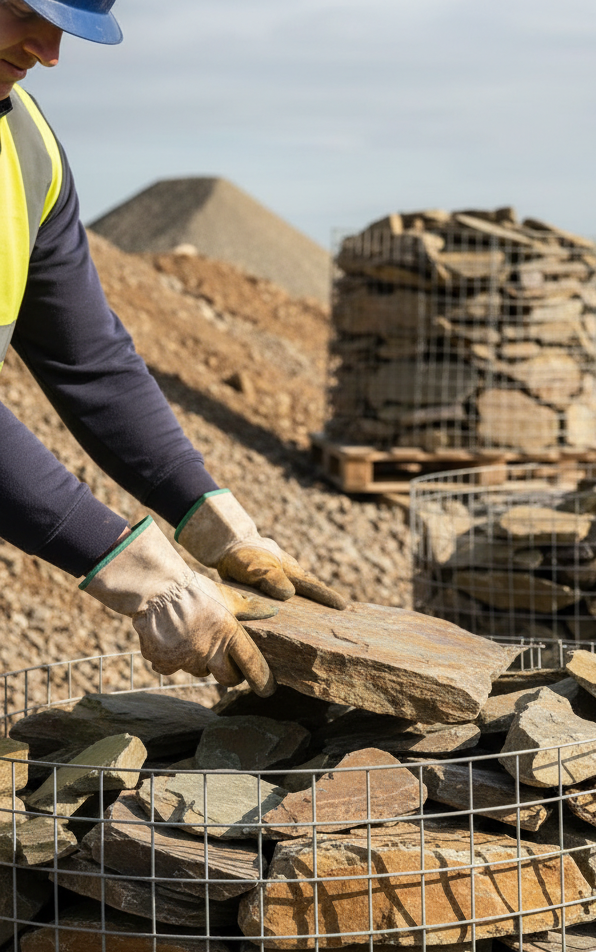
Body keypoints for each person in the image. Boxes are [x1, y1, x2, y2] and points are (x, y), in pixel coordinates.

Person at [0, 0, 346, 696]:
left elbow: (90, 360)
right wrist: (145, 577)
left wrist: (212, 520)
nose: (48, 52)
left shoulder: (26, 144)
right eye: (21, 11)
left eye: (64, 28)